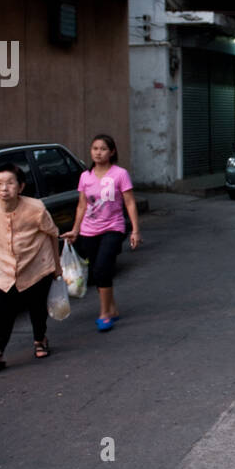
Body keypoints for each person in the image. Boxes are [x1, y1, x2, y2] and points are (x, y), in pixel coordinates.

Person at [0, 162, 61, 370]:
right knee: (1, 309)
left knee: (37, 307)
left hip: (36, 264)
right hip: (3, 266)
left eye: (10, 183)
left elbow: (53, 234)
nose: (4, 188)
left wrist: (57, 266)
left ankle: (40, 340)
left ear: (21, 187)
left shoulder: (36, 208)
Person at [62, 134, 141, 332]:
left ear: (112, 151)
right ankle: (112, 307)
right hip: (89, 230)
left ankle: (104, 313)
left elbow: (130, 202)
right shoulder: (85, 176)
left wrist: (135, 230)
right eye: (95, 148)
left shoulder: (120, 174)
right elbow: (81, 205)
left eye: (103, 149)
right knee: (98, 270)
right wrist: (75, 230)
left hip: (113, 227)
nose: (98, 152)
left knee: (102, 267)